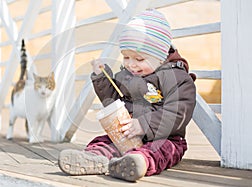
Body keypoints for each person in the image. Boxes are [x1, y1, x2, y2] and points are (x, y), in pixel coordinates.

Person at [58, 9, 196, 182]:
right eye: (126, 57)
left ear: (160, 57)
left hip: (166, 137)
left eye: (139, 59)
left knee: (160, 150)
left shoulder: (176, 79)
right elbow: (113, 102)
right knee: (105, 141)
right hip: (127, 134)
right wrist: (102, 78)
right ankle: (94, 158)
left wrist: (144, 124)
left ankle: (137, 162)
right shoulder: (127, 76)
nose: (131, 64)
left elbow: (178, 112)